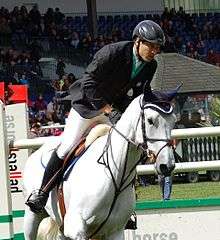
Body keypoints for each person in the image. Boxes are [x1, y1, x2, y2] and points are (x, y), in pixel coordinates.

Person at [26, 20, 165, 214]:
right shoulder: (112, 52)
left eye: (157, 47)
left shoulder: (151, 66)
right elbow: (89, 82)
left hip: (113, 109)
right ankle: (41, 192)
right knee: (67, 146)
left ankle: (125, 209)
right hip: (87, 106)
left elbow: (141, 94)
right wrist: (105, 108)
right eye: (151, 46)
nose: (154, 51)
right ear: (137, 41)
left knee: (126, 151)